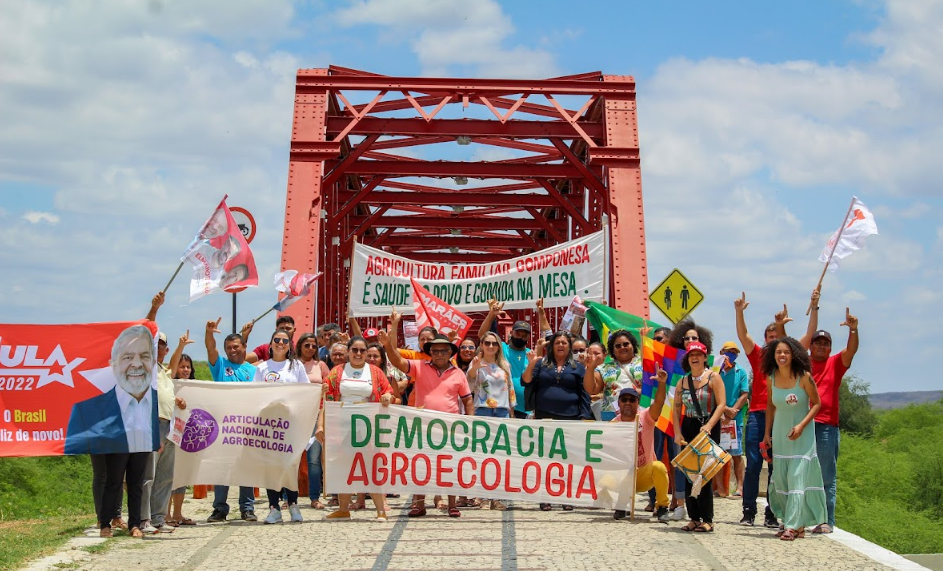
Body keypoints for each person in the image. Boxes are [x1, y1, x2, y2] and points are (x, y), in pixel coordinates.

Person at [71, 324, 160, 538]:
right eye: (127, 357)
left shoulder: (152, 398)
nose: (137, 364)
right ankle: (105, 523)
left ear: (153, 362)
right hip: (117, 442)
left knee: (136, 484)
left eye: (144, 356)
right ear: (113, 365)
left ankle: (135, 524)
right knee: (113, 481)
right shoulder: (91, 407)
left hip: (143, 439)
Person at [381, 330, 474, 517]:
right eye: (435, 350)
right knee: (420, 465)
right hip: (422, 425)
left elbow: (467, 400)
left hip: (450, 427)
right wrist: (386, 345)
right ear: (430, 352)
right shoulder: (419, 366)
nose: (439, 354)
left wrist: (469, 424)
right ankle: (419, 504)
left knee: (449, 465)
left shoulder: (458, 373)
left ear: (450, 353)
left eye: (443, 351)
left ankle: (452, 504)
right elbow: (398, 361)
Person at [316, 336, 395, 521]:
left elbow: (388, 391)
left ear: (367, 353)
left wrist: (387, 398)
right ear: (348, 352)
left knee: (370, 466)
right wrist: (320, 425)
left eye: (362, 350)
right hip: (342, 425)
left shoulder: (375, 372)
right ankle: (343, 509)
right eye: (355, 350)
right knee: (345, 466)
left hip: (368, 425)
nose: (358, 354)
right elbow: (325, 400)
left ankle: (380, 510)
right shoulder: (337, 372)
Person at [762, 337, 827, 540]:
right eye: (779, 352)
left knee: (796, 478)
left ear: (794, 355)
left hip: (802, 437)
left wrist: (801, 426)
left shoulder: (804, 377)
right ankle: (796, 525)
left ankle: (791, 526)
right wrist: (767, 433)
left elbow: (816, 404)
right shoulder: (771, 378)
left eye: (787, 352)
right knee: (781, 480)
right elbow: (771, 405)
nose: (782, 355)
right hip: (781, 435)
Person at [522, 330, 590, 511]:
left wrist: (585, 416)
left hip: (571, 418)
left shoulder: (578, 367)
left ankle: (567, 496)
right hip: (545, 416)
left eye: (564, 343)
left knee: (567, 459)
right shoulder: (542, 364)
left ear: (569, 346)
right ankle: (545, 496)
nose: (560, 345)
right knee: (546, 458)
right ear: (552, 346)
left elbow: (584, 393)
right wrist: (531, 364)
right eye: (557, 342)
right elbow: (526, 381)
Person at [806, 307, 859, 533]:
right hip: (803, 426)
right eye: (817, 342)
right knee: (801, 473)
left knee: (827, 475)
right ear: (810, 345)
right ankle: (802, 517)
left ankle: (827, 520)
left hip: (827, 426)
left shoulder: (836, 362)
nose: (821, 346)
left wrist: (853, 330)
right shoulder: (803, 363)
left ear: (829, 347)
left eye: (825, 343)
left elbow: (851, 350)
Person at [734, 293, 782, 529]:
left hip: (780, 416)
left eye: (777, 337)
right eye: (770, 338)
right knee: (753, 463)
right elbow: (743, 336)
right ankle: (748, 511)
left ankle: (772, 513)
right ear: (765, 340)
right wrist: (740, 312)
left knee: (775, 466)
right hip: (756, 414)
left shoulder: (787, 359)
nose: (773, 341)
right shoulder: (760, 356)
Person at [204, 318, 257, 523]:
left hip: (247, 426)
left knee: (246, 467)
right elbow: (210, 348)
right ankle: (220, 509)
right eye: (228, 348)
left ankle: (247, 508)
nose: (232, 350)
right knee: (222, 467)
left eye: (236, 346)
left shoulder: (255, 371)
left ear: (244, 346)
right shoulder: (220, 366)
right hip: (224, 425)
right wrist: (209, 332)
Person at [253, 330, 308, 524]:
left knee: (290, 464)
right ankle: (274, 507)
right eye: (277, 340)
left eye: (285, 341)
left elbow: (306, 392)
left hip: (290, 422)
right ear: (270, 343)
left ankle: (293, 504)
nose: (280, 343)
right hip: (269, 424)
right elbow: (254, 394)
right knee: (271, 465)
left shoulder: (296, 366)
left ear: (289, 345)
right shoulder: (262, 368)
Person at [671, 341, 726, 533]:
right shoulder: (682, 382)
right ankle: (693, 517)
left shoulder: (714, 377)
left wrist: (710, 425)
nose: (695, 358)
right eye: (691, 355)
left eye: (698, 354)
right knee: (688, 473)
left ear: (705, 357)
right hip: (689, 425)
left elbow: (721, 404)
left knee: (705, 474)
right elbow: (676, 410)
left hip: (708, 425)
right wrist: (677, 432)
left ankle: (707, 519)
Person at [610, 374, 671, 522]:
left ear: (638, 403)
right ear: (619, 403)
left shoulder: (645, 417)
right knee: (603, 478)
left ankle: (662, 506)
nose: (628, 403)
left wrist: (662, 384)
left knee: (659, 467)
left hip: (644, 474)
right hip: (623, 476)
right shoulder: (612, 425)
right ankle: (622, 504)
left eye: (632, 400)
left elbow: (659, 402)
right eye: (624, 400)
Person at [146, 328, 188, 534]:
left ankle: (159, 517)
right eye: (156, 345)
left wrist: (175, 400)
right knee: (149, 474)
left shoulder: (164, 371)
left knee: (165, 475)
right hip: (152, 423)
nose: (159, 349)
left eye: (162, 346)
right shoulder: (145, 367)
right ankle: (144, 517)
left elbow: (173, 365)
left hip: (169, 425)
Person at [647, 326, 686, 518]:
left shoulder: (678, 360)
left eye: (660, 338)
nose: (657, 342)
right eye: (654, 339)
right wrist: (643, 342)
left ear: (669, 340)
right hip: (656, 415)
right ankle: (654, 499)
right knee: (653, 458)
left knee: (675, 460)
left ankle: (677, 500)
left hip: (674, 416)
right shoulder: (651, 359)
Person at [478, 297, 534, 419]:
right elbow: (483, 335)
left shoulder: (531, 354)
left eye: (524, 335)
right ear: (511, 333)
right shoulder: (501, 348)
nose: (520, 337)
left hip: (527, 411)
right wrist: (491, 315)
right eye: (518, 333)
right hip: (505, 408)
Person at [295, 332, 330, 509]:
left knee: (314, 458)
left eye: (313, 346)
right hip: (295, 415)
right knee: (291, 457)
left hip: (316, 415)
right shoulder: (291, 365)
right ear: (299, 345)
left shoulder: (321, 365)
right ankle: (288, 498)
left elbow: (330, 385)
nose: (310, 348)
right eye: (306, 345)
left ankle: (314, 497)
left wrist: (325, 387)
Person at [167, 346, 196, 527]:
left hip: (188, 436)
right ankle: (165, 513)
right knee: (168, 476)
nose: (185, 370)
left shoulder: (197, 387)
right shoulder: (168, 384)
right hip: (170, 434)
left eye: (188, 367)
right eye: (182, 366)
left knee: (182, 476)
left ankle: (178, 513)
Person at [584, 329, 642, 422]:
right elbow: (592, 389)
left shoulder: (645, 364)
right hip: (611, 416)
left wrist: (642, 391)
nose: (622, 347)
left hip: (640, 414)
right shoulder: (603, 368)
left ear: (633, 345)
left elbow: (655, 389)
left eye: (626, 344)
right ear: (612, 349)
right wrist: (590, 368)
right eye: (618, 346)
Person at [717, 341, 749, 497]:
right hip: (719, 418)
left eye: (734, 352)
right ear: (721, 352)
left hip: (735, 421)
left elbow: (744, 394)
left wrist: (733, 411)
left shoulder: (741, 372)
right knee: (717, 455)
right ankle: (720, 488)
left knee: (736, 454)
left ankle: (740, 487)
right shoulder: (716, 372)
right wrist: (722, 411)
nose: (730, 354)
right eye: (728, 351)